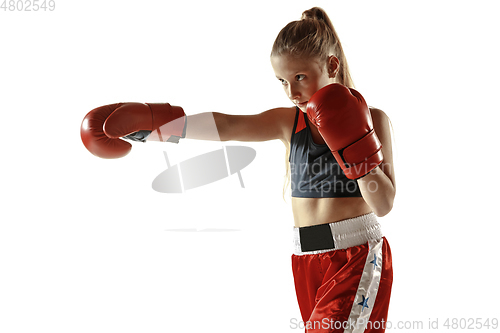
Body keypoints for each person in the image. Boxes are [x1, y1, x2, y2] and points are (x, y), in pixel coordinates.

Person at [81, 7, 395, 333]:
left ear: (331, 65)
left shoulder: (375, 119)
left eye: (300, 77)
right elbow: (228, 125)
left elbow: (384, 204)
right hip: (305, 257)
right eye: (282, 81)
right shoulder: (289, 123)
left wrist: (355, 147)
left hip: (355, 255)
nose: (292, 92)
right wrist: (156, 125)